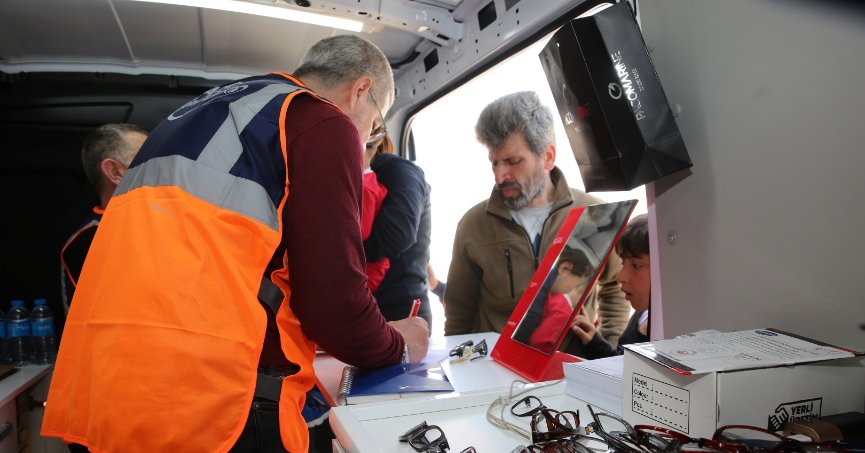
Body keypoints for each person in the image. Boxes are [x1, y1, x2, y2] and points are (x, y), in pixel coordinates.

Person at [41, 34, 429, 453]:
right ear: (360, 90)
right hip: (211, 403)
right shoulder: (320, 119)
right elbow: (333, 302)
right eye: (373, 128)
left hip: (108, 393)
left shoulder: (198, 116)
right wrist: (399, 344)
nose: (366, 143)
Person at [444, 91, 631, 357]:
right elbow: (459, 315)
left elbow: (616, 285)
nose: (499, 176)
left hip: (574, 371)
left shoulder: (595, 213)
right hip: (496, 375)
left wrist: (610, 349)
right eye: (494, 163)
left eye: (512, 161)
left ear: (548, 156)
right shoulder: (473, 225)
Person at [60, 123, 148, 314]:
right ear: (115, 172)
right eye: (146, 159)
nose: (159, 167)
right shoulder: (88, 241)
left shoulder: (161, 220)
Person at [363, 131, 434, 329]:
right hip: (367, 311)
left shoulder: (398, 171)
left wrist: (338, 254)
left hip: (400, 312)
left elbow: (398, 235)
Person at [571, 214, 651, 358]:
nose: (620, 277)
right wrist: (593, 342)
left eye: (636, 265)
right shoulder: (643, 314)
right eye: (622, 263)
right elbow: (621, 365)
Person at [524, 247, 594, 352]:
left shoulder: (549, 293)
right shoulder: (560, 308)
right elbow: (535, 341)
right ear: (564, 268)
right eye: (577, 286)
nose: (568, 292)